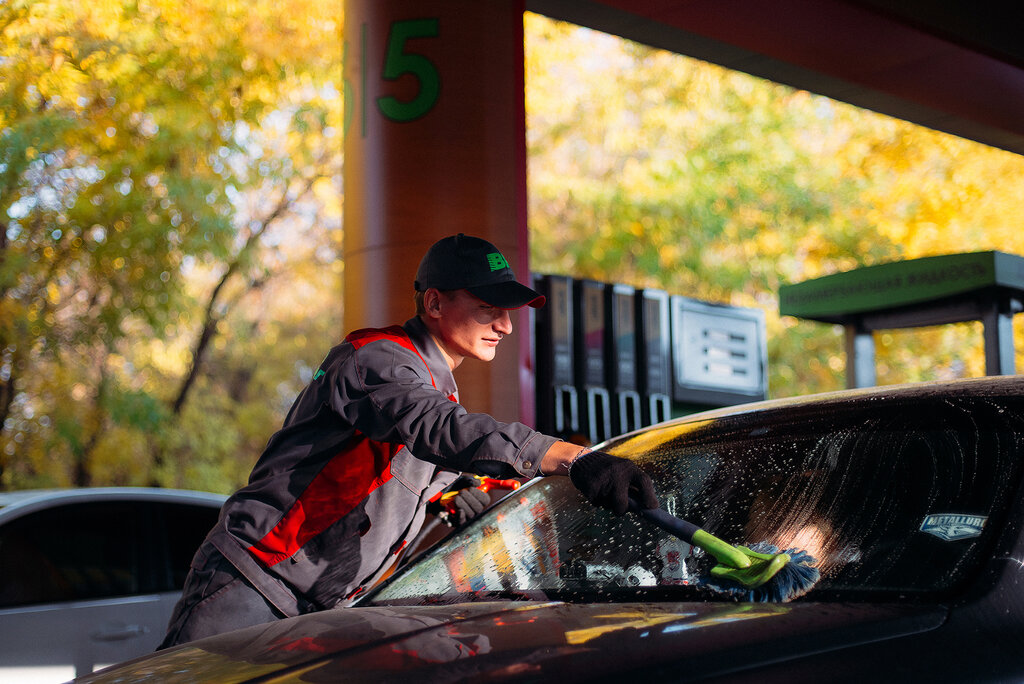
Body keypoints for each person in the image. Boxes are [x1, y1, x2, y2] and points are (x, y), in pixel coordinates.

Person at [159, 233, 658, 647]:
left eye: (508, 312)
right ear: (435, 302)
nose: (505, 325)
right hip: (254, 583)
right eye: (488, 307)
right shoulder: (377, 358)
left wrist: (454, 497)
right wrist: (569, 458)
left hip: (322, 605)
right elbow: (435, 427)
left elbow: (406, 466)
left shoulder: (434, 382)